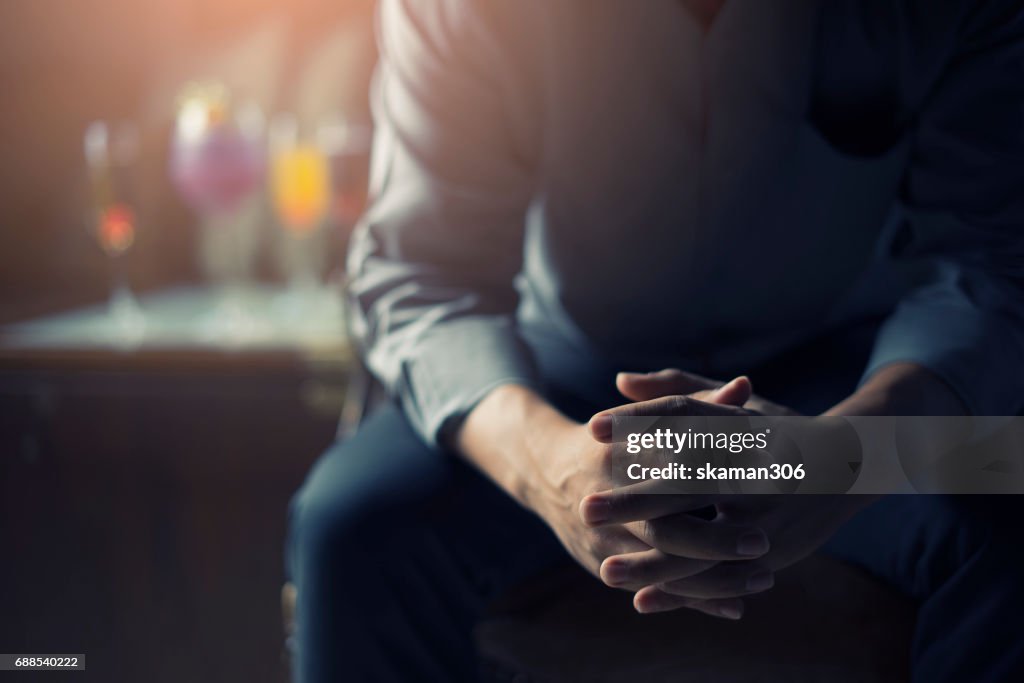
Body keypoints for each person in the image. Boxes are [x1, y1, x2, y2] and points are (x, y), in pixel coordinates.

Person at [287, 1, 1024, 680]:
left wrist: (850, 454)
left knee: (1013, 492)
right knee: (349, 525)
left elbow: (991, 263)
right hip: (562, 384)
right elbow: (424, 273)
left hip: (859, 374)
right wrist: (550, 467)